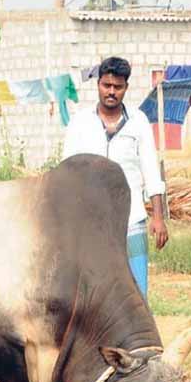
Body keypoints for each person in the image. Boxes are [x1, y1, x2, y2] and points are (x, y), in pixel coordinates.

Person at [62, 56, 168, 300]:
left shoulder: (139, 122)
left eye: (117, 87)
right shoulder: (80, 122)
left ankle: (139, 339)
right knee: (94, 291)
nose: (111, 92)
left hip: (132, 219)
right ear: (98, 84)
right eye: (106, 85)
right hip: (90, 222)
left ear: (125, 88)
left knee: (137, 290)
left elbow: (151, 170)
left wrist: (159, 218)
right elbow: (68, 171)